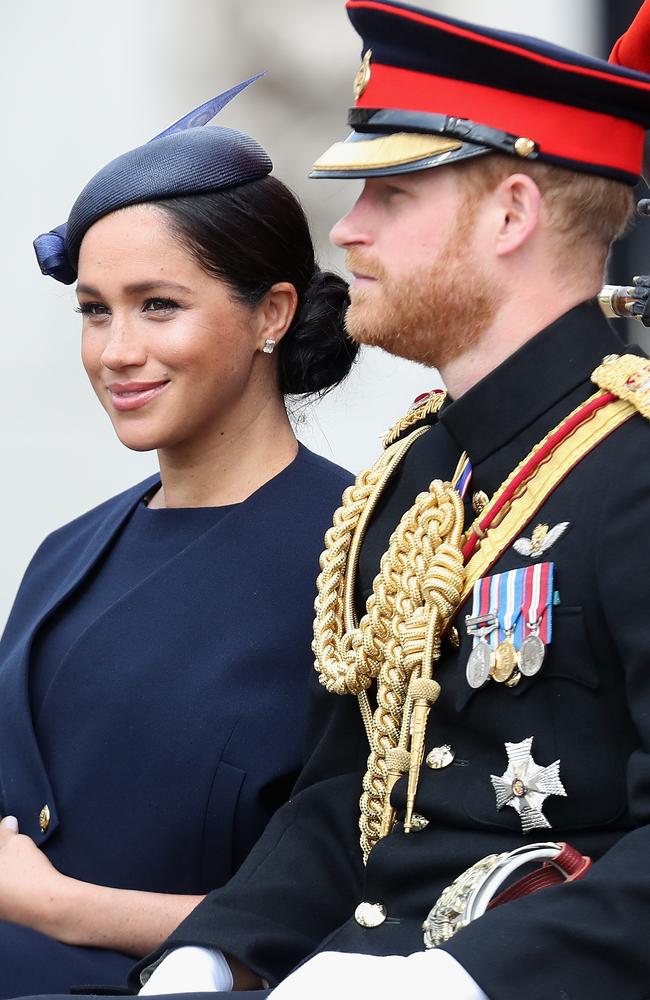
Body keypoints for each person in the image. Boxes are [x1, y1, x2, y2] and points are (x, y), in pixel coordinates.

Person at [19, 2, 650, 999]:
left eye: (389, 194)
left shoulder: (631, 468)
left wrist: (456, 981)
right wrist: (213, 953)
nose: (346, 230)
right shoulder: (415, 473)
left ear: (511, 213)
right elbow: (343, 796)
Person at [0, 81, 357, 998]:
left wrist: (62, 908)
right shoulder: (66, 553)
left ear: (271, 314)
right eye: (94, 309)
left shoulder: (359, 558)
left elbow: (360, 909)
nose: (117, 350)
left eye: (159, 305)